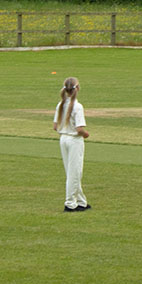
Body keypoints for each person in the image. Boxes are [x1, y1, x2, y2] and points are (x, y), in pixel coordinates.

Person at [53, 76, 90, 212]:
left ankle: (81, 201)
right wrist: (86, 134)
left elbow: (55, 126)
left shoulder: (60, 104)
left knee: (72, 172)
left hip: (63, 139)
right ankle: (70, 203)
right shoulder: (77, 107)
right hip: (74, 141)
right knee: (75, 172)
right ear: (77, 88)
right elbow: (79, 129)